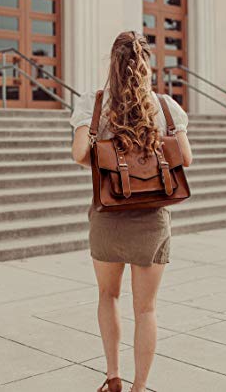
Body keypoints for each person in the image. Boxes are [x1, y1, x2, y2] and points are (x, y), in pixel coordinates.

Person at [69, 30, 193, 392]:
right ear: (146, 65)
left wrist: (112, 155)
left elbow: (79, 154)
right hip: (152, 220)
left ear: (113, 63)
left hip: (108, 216)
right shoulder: (166, 106)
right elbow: (185, 158)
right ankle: (140, 387)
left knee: (108, 296)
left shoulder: (93, 104)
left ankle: (113, 377)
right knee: (146, 309)